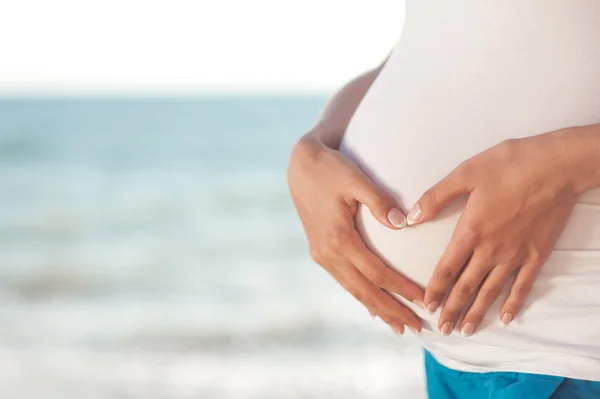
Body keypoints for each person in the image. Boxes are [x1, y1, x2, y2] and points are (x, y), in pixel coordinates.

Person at [287, 1, 600, 398]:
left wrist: (568, 163)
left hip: (572, 356)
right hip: (452, 359)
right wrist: (317, 142)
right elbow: (427, 45)